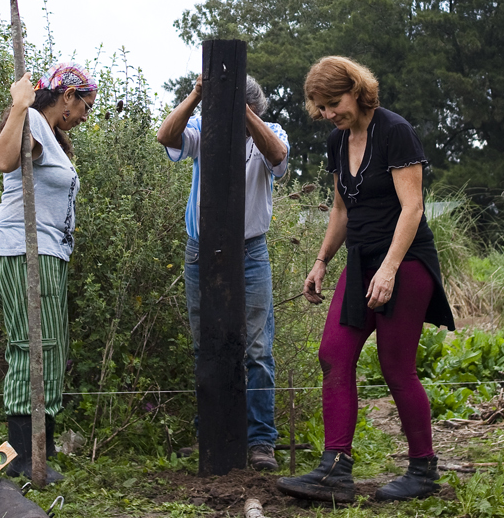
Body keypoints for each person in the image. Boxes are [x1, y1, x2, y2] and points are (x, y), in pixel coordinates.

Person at [277, 57, 455, 504]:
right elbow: (340, 210)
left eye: (332, 103)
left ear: (357, 90)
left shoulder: (395, 132)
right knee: (333, 355)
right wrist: (320, 260)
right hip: (359, 262)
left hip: (407, 260)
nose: (326, 114)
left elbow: (412, 209)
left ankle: (423, 471)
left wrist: (390, 269)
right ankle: (335, 470)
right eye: (319, 107)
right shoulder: (338, 142)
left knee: (397, 367)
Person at [156, 73, 290, 471]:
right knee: (207, 345)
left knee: (257, 349)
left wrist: (241, 111)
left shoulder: (271, 132)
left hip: (250, 251)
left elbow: (278, 156)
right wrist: (199, 94)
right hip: (202, 249)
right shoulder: (203, 128)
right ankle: (209, 435)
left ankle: (260, 441)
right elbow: (166, 136)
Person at [0, 61, 98, 483]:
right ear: (67, 96)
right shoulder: (31, 118)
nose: (86, 114)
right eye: (85, 104)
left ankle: (40, 450)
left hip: (47, 253)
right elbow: (2, 159)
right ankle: (22, 457)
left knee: (50, 350)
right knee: (33, 348)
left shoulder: (51, 134)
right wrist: (19, 105)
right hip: (21, 249)